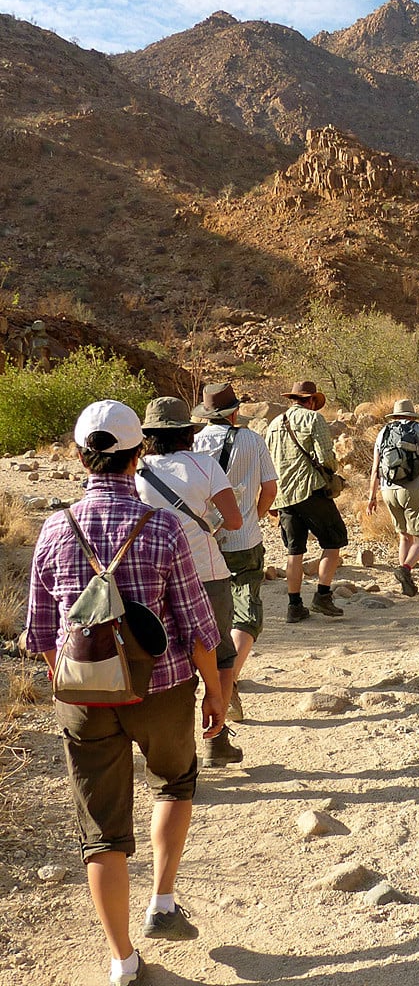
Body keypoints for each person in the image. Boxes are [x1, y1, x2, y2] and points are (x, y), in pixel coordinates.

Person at [26, 400, 226, 986]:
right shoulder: (161, 526)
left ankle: (121, 960)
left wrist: (78, 683)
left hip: (84, 697)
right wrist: (214, 693)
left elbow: (42, 634)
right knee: (175, 781)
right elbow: (195, 626)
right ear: (139, 455)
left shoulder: (54, 527)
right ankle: (162, 902)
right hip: (163, 688)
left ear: (80, 455)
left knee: (101, 829)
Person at [135, 397, 244, 768]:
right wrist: (205, 522)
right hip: (206, 573)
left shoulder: (137, 471)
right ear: (188, 433)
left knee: (166, 657)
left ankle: (176, 749)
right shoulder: (205, 465)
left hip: (153, 578)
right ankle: (217, 736)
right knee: (221, 654)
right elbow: (233, 521)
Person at [192, 383, 278, 721]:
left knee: (209, 613)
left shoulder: (194, 443)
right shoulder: (253, 440)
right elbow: (270, 488)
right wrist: (252, 517)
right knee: (246, 611)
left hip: (204, 541)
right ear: (234, 412)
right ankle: (232, 678)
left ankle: (211, 680)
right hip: (243, 539)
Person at [264, 380, 348, 623]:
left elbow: (268, 461)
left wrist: (270, 498)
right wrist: (335, 470)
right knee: (334, 540)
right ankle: (322, 595)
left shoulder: (274, 424)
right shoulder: (314, 420)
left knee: (294, 551)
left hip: (283, 495)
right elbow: (326, 459)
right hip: (309, 490)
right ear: (311, 401)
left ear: (293, 399)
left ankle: (294, 606)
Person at [367, 398, 419, 596]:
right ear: (411, 415)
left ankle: (405, 582)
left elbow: (375, 469)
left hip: (389, 491)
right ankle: (405, 570)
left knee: (404, 535)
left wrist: (371, 496)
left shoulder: (383, 433)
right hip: (416, 488)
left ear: (395, 415)